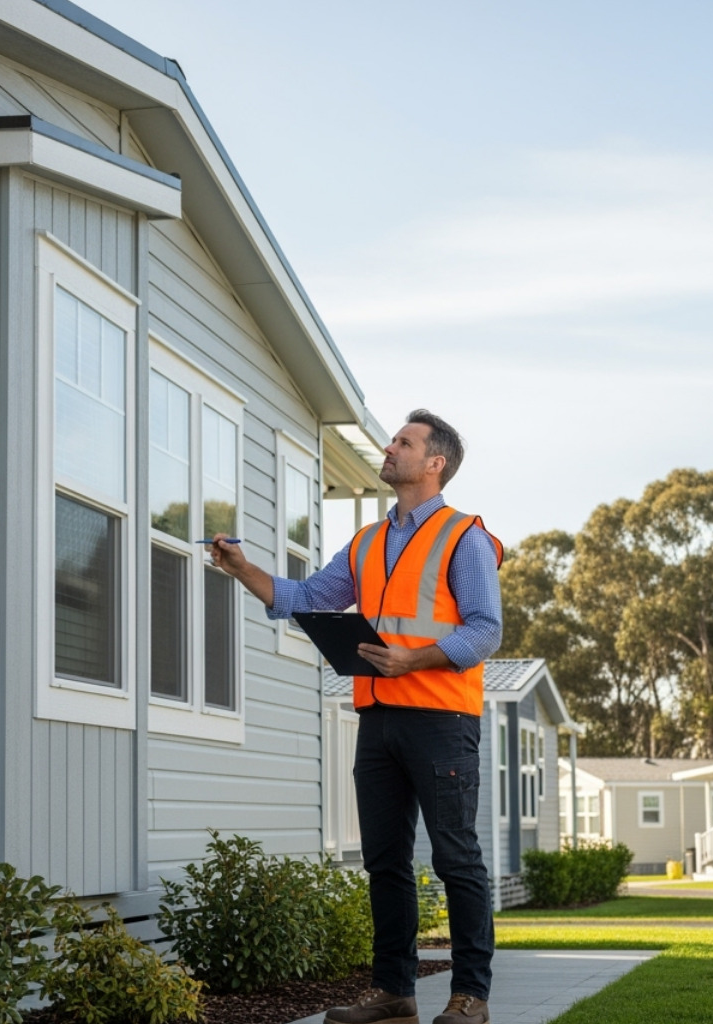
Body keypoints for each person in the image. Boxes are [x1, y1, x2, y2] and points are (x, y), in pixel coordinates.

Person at [210, 409, 502, 1024]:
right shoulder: (369, 541)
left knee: (455, 858)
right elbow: (310, 598)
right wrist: (244, 571)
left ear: (434, 463)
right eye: (394, 439)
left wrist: (412, 659)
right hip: (378, 719)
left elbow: (485, 632)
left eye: (404, 442)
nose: (390, 448)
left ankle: (469, 994)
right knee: (385, 861)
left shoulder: (464, 536)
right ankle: (393, 992)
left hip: (441, 720)